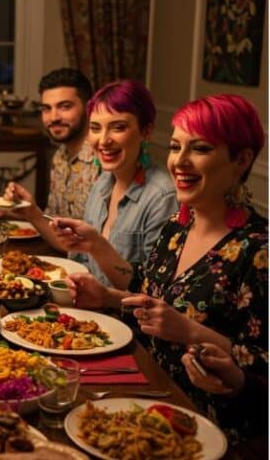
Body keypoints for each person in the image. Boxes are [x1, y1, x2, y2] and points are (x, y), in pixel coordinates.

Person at [68, 94, 267, 444]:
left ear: (241, 160)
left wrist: (189, 332)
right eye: (176, 147)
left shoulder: (259, 251)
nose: (180, 162)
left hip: (204, 429)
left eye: (200, 148)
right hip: (145, 399)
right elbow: (147, 291)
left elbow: (260, 370)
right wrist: (107, 297)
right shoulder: (178, 226)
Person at [6, 80, 178, 286]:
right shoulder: (103, 183)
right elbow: (78, 258)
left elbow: (153, 290)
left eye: (118, 127)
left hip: (121, 316)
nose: (103, 140)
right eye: (95, 128)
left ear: (146, 131)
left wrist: (97, 246)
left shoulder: (161, 197)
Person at [37, 68, 99, 219]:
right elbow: (53, 221)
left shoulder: (104, 157)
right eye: (47, 108)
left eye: (65, 107)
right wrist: (21, 210)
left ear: (88, 108)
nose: (53, 117)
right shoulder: (59, 157)